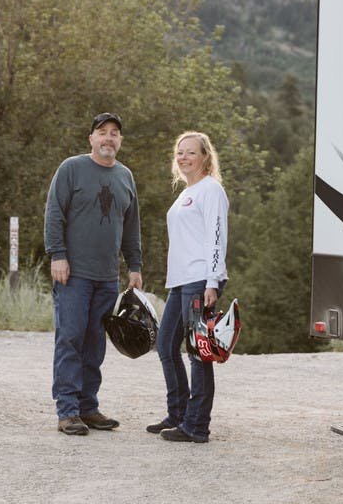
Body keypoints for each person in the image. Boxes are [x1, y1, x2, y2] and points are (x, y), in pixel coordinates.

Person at [44, 112, 143, 436]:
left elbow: (131, 227)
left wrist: (135, 267)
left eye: (115, 133)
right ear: (91, 139)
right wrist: (58, 255)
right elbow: (54, 214)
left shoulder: (125, 176)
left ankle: (88, 407)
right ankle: (68, 411)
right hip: (73, 274)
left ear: (120, 141)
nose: (109, 138)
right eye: (102, 132)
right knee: (70, 338)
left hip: (106, 277)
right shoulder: (71, 169)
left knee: (95, 343)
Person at [148, 131, 229, 444]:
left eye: (190, 152)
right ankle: (178, 413)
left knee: (198, 354)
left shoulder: (211, 190)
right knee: (166, 346)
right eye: (179, 153)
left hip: (200, 280)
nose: (183, 158)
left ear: (205, 157)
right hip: (180, 281)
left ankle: (196, 426)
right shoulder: (186, 192)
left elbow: (216, 237)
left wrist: (213, 281)